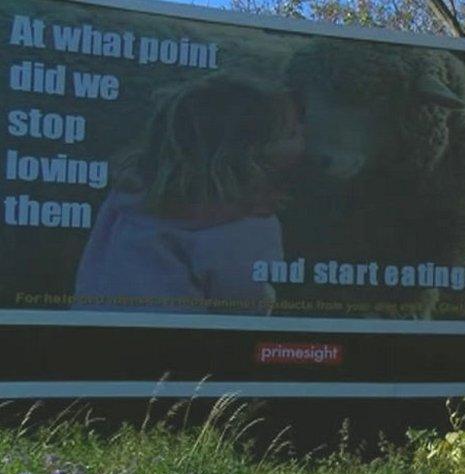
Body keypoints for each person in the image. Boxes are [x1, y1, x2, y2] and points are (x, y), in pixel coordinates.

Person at [73, 73, 305, 314]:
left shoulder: (131, 193)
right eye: (291, 133)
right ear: (250, 157)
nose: (304, 131)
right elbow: (243, 309)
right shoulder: (245, 226)